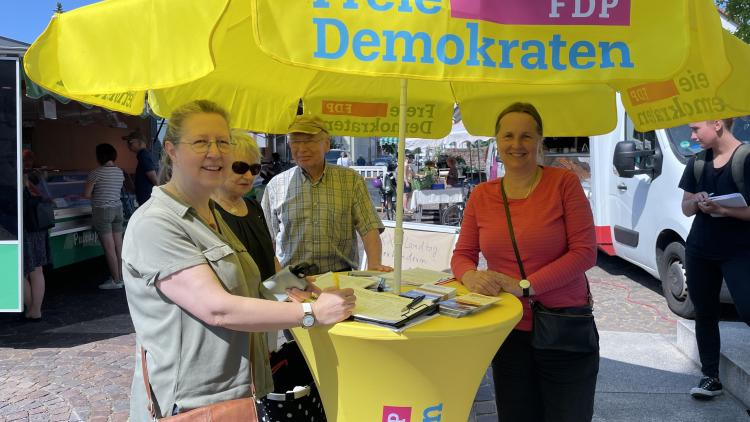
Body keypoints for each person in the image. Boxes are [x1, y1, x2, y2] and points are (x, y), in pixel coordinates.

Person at [122, 100, 355, 419]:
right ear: (172, 150)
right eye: (201, 141)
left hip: (240, 389)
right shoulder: (156, 222)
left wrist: (304, 288)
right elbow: (217, 308)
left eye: (222, 141)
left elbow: (259, 277)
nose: (215, 152)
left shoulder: (213, 214)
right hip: (194, 402)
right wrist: (310, 312)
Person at [451, 102, 598, 422]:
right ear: (497, 141)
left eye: (526, 136)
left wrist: (524, 286)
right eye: (508, 136)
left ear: (540, 140)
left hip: (564, 328)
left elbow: (585, 252)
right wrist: (470, 276)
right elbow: (462, 254)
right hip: (508, 331)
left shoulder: (564, 184)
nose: (516, 145)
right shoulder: (481, 195)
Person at [262, 115, 392, 274]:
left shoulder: (350, 180)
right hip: (292, 282)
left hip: (340, 277)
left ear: (327, 144)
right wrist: (276, 280)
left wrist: (374, 265)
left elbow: (369, 228)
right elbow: (267, 240)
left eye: (309, 141)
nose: (301, 149)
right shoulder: (276, 185)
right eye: (295, 142)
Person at [678, 118, 750, 400]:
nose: (692, 135)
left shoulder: (745, 158)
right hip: (700, 248)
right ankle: (710, 377)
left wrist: (724, 209)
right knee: (705, 312)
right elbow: (685, 208)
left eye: (696, 129)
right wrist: (696, 200)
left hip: (739, 250)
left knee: (747, 309)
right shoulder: (696, 162)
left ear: (717, 124)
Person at [213, 130, 279, 280]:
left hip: (269, 299)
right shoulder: (206, 211)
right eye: (240, 167)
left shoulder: (254, 206)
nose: (249, 176)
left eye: (255, 168)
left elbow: (271, 258)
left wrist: (290, 284)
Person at [84, 143, 126, 290]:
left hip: (102, 211)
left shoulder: (96, 173)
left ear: (100, 156)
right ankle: (122, 277)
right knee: (119, 246)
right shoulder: (120, 172)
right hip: (118, 209)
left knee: (109, 248)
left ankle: (116, 280)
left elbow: (87, 194)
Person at [22, 153, 51, 321]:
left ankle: (31, 308)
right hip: (38, 228)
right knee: (37, 270)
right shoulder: (34, 179)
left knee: (21, 271)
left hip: (24, 229)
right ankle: (35, 309)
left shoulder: (13, 180)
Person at [124, 129, 158, 206]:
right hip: (146, 197)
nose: (128, 145)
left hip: (147, 198)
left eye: (130, 142)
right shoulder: (143, 155)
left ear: (140, 142)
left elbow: (153, 176)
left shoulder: (143, 155)